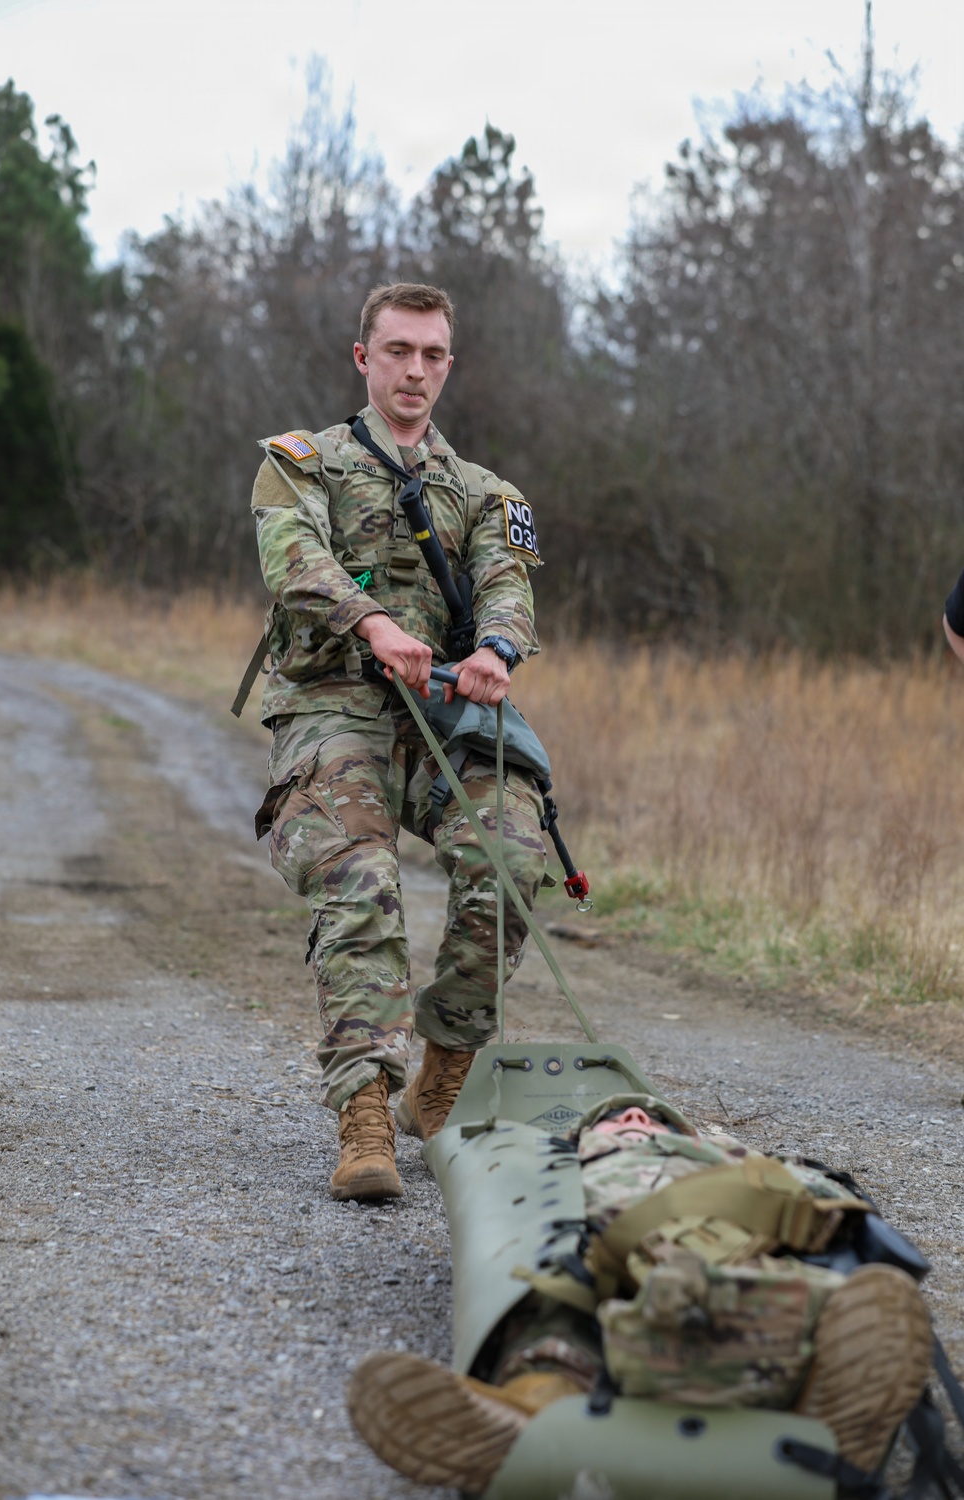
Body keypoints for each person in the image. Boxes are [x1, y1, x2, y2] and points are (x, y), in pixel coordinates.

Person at [250, 282, 548, 1201]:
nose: (415, 370)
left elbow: (507, 582)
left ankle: (442, 1075)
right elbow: (294, 559)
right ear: (363, 358)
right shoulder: (302, 464)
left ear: (449, 364)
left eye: (432, 354)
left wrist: (495, 649)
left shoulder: (486, 492)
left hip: (439, 716)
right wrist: (374, 623)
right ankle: (364, 1114)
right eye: (398, 351)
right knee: (361, 878)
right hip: (333, 706)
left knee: (510, 854)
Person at [347, 1096, 933, 1493]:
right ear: (582, 1140)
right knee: (555, 1299)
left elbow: (828, 1203)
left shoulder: (737, 1162)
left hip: (738, 1253)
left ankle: (825, 1400)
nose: (632, 1115)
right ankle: (535, 1405)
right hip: (608, 1259)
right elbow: (513, 1197)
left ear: (686, 1137)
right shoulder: (559, 1163)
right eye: (613, 1117)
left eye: (652, 1116)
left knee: (839, 1294)